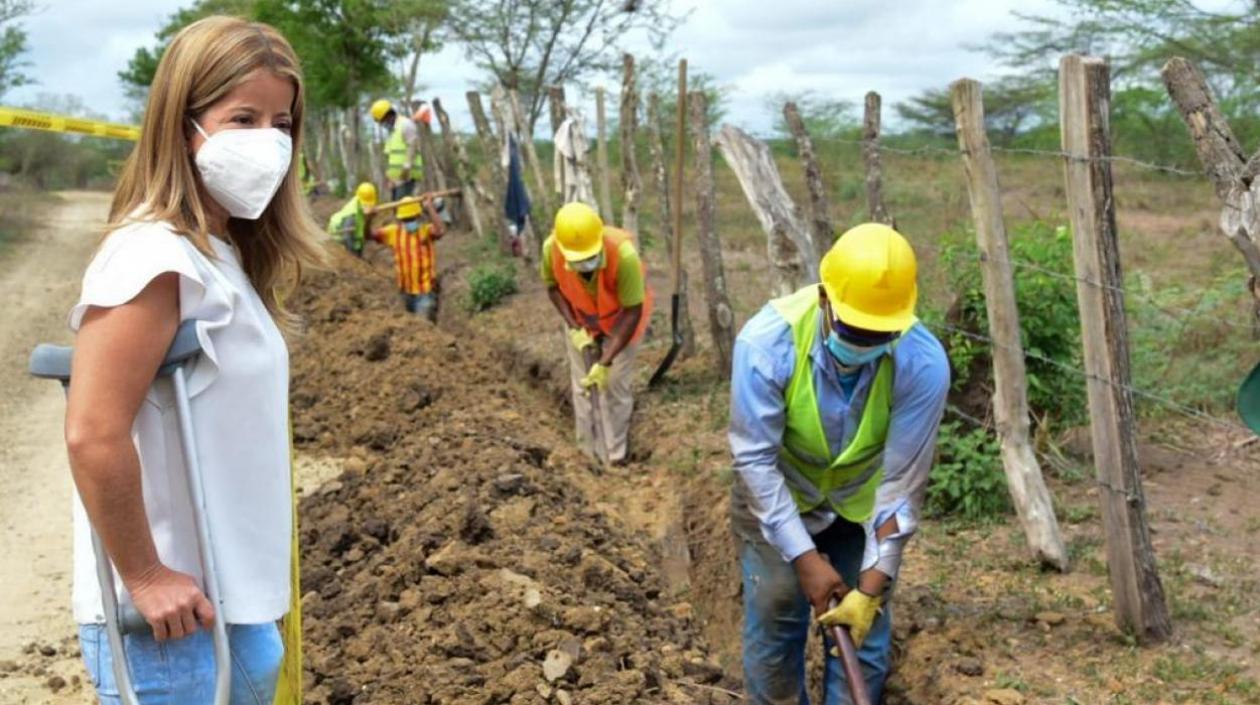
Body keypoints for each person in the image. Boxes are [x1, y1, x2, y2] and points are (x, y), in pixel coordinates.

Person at [63, 16, 323, 705]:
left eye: (281, 123)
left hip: (231, 612)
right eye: (242, 118)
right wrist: (146, 576)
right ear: (183, 127)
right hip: (175, 632)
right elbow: (92, 431)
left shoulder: (218, 252)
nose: (267, 141)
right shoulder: (153, 255)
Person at [728, 223, 949, 704]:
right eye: (853, 330)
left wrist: (870, 588)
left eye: (879, 334)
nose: (865, 343)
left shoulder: (923, 363)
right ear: (825, 297)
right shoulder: (766, 344)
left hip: (860, 504)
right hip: (779, 493)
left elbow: (901, 486)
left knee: (865, 635)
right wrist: (805, 559)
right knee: (777, 611)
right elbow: (756, 462)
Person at [541, 202, 653, 464]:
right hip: (581, 320)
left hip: (621, 323)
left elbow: (632, 311)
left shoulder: (624, 256)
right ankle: (586, 454)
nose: (586, 264)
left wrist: (605, 361)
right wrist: (575, 328)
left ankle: (615, 456)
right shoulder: (551, 249)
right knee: (583, 386)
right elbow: (552, 288)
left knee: (614, 384)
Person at [369, 196, 445, 321]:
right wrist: (369, 218)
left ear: (418, 216)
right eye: (406, 219)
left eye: (411, 218)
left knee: (422, 326)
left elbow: (440, 231)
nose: (409, 222)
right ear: (400, 219)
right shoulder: (394, 232)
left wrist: (430, 208)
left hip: (424, 292)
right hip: (405, 292)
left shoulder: (425, 231)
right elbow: (369, 235)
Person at [370, 98, 423, 201]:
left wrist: (407, 166)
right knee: (397, 207)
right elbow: (392, 157)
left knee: (405, 207)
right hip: (397, 180)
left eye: (382, 121)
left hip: (408, 177)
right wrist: (390, 177)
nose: (382, 124)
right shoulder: (392, 131)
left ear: (387, 116)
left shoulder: (405, 124)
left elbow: (413, 145)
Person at [327, 181, 378, 256]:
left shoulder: (359, 202)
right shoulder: (351, 215)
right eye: (367, 204)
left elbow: (365, 232)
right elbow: (347, 237)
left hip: (354, 239)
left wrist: (370, 217)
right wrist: (353, 257)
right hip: (340, 240)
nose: (369, 205)